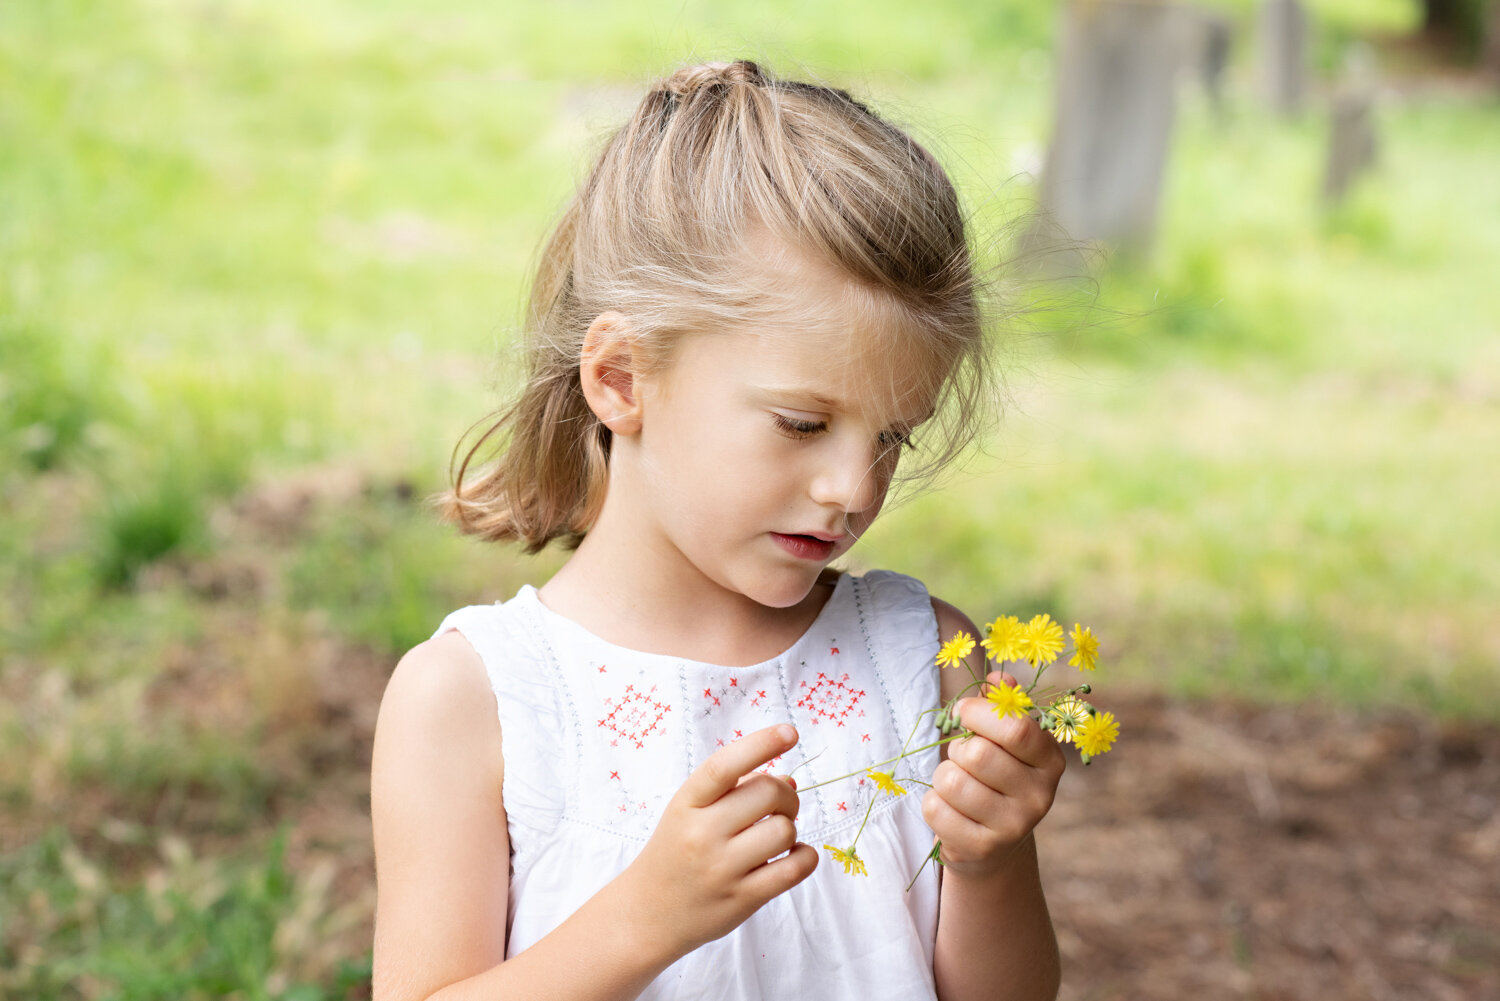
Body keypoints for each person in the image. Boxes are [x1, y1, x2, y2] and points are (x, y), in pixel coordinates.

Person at [370, 60, 1066, 1001]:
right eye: (802, 423)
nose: (853, 487)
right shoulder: (475, 699)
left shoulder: (923, 658)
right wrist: (642, 919)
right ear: (621, 378)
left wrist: (991, 862)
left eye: (894, 434)